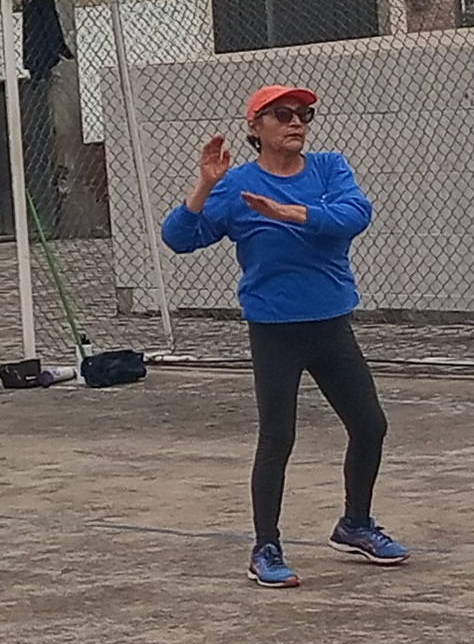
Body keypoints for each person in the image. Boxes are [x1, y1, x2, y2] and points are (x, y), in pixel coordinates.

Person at [158, 82, 405, 586]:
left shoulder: (328, 168)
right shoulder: (237, 185)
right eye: (283, 115)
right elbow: (179, 239)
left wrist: (291, 213)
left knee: (370, 425)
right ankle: (265, 547)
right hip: (274, 327)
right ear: (255, 127)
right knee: (277, 436)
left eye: (303, 115)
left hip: (330, 322)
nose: (296, 123)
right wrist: (205, 185)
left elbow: (355, 215)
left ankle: (355, 524)